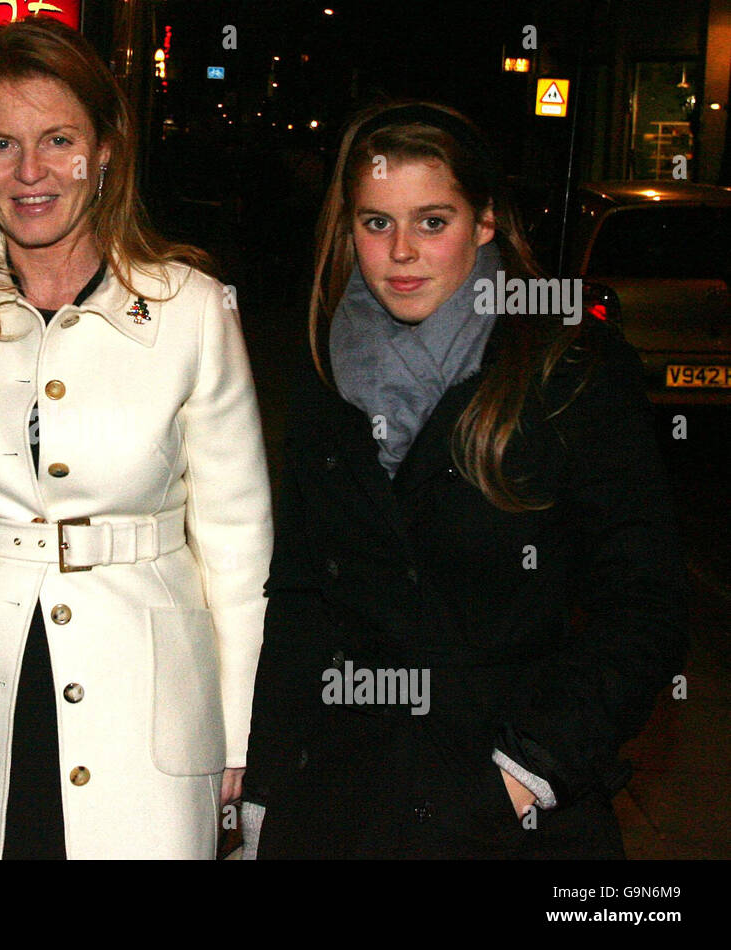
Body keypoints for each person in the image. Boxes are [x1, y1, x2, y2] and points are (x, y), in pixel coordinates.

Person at [245, 101, 687, 859]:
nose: (402, 252)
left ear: (485, 222)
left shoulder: (567, 366)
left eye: (433, 221)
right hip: (340, 797)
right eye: (376, 222)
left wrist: (525, 772)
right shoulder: (324, 368)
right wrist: (266, 793)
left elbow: (644, 605)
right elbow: (299, 597)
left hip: (501, 809)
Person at [0, 17, 272, 859]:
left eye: (58, 140)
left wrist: (239, 729)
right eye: (1, 144)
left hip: (148, 702)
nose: (30, 172)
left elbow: (237, 539)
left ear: (105, 151)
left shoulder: (192, 308)